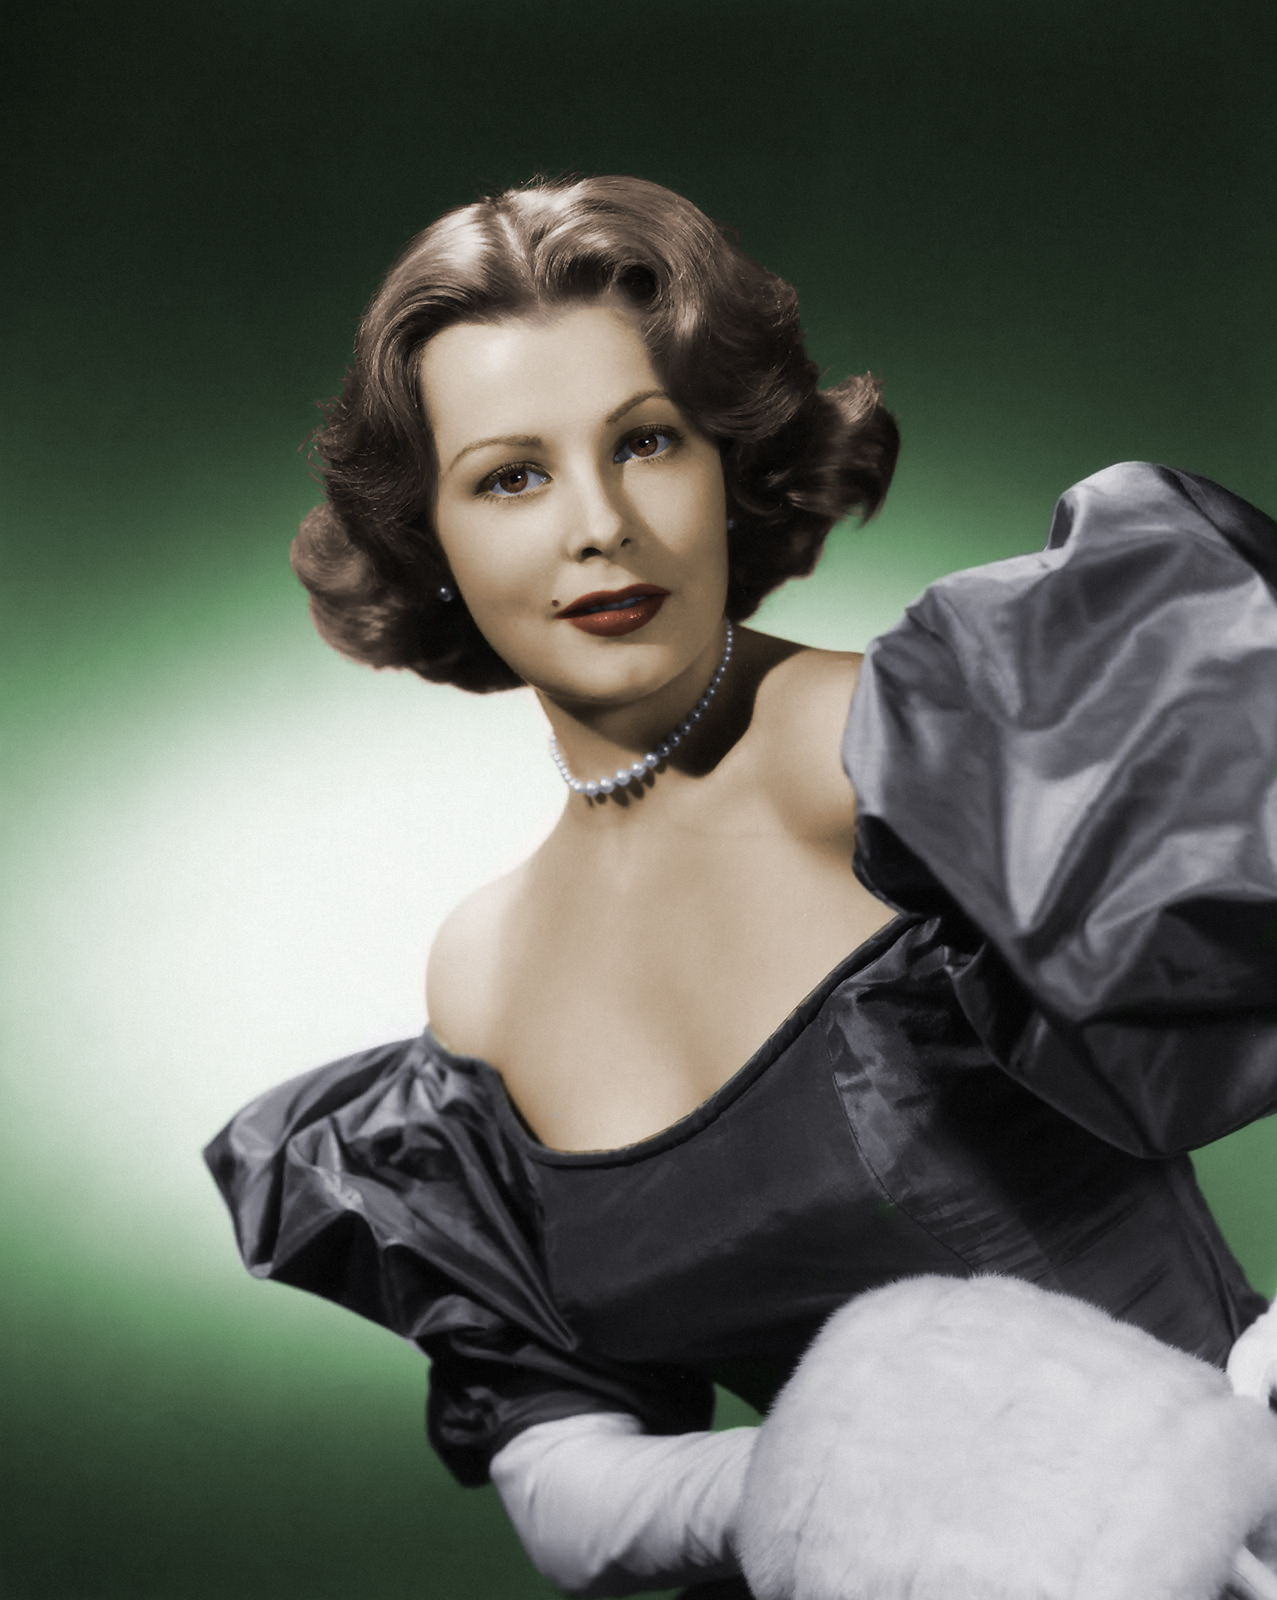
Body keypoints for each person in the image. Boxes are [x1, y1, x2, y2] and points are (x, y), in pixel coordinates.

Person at [206, 174, 1277, 1598]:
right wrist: (819, 1480)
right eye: (511, 477)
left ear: (732, 466)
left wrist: (1238, 1429)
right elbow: (563, 1476)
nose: (598, 523)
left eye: (646, 442)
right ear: (433, 544)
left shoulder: (917, 745)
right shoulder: (481, 974)